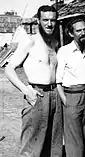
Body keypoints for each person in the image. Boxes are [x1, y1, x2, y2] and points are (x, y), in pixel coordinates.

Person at [4, 5, 63, 157]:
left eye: (52, 20)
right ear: (38, 21)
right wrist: (26, 90)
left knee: (53, 144)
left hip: (54, 95)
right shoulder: (29, 42)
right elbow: (9, 69)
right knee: (30, 148)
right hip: (37, 95)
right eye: (45, 20)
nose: (49, 24)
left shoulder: (55, 43)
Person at [56, 18, 85, 157]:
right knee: (73, 141)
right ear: (71, 33)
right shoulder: (64, 51)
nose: (83, 33)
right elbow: (58, 81)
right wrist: (66, 101)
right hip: (72, 96)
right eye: (79, 30)